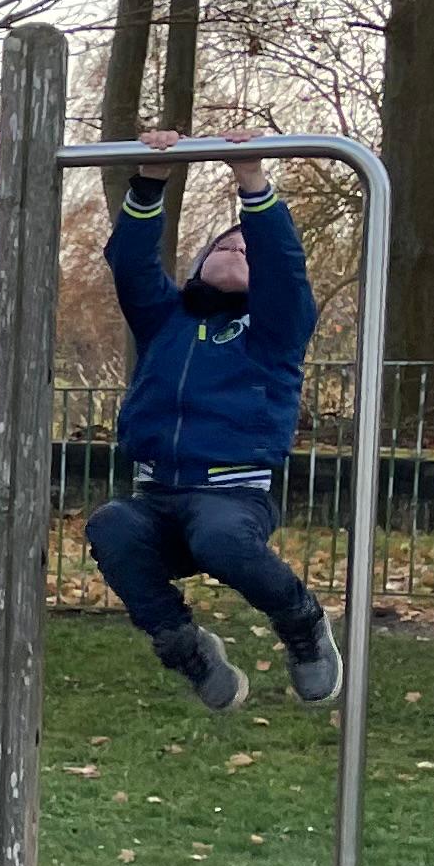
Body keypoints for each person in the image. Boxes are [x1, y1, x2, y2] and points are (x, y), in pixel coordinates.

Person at [90, 118, 341, 712]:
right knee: (110, 526)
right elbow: (129, 261)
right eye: (221, 247)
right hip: (157, 496)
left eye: (244, 250)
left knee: (221, 539)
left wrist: (250, 179)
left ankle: (302, 623)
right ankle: (185, 647)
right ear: (198, 265)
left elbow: (282, 262)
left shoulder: (273, 329)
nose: (233, 250)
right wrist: (152, 177)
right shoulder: (165, 321)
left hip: (231, 495)